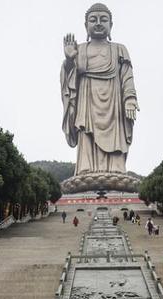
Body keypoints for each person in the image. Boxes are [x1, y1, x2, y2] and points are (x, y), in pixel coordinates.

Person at [61, 4, 139, 175]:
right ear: (85, 26)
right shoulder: (79, 49)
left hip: (114, 103)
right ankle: (85, 169)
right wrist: (69, 61)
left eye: (103, 20)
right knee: (86, 132)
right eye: (93, 19)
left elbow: (127, 76)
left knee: (116, 134)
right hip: (87, 100)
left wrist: (130, 99)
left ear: (111, 25)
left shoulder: (119, 49)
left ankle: (116, 169)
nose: (98, 23)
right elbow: (69, 81)